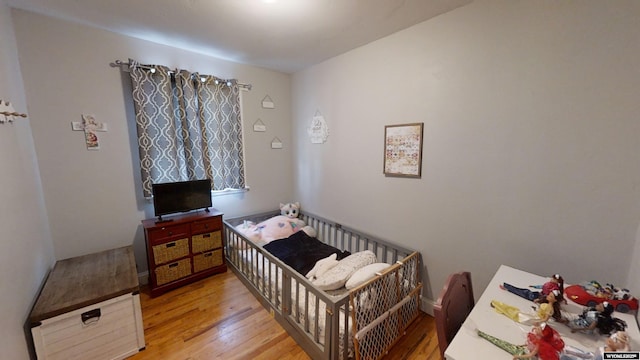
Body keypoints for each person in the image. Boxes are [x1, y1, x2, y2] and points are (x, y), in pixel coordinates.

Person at [492, 289, 563, 324]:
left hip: (536, 318)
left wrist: (537, 321)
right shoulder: (547, 304)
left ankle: (498, 306)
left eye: (551, 296)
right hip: (534, 314)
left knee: (517, 315)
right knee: (516, 311)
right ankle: (498, 305)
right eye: (549, 295)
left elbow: (545, 319)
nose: (548, 296)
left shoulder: (550, 309)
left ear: (555, 300)